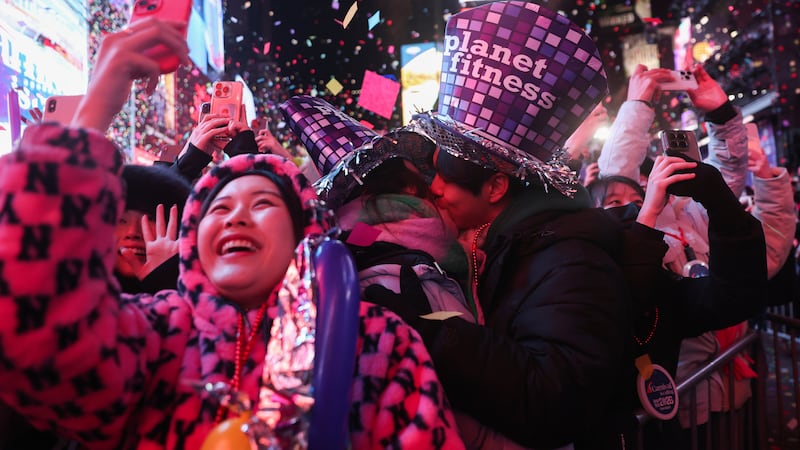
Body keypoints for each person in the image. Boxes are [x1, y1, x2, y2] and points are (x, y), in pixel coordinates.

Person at [0, 18, 464, 449]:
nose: (235, 218)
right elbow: (27, 324)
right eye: (218, 208)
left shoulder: (379, 343)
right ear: (194, 238)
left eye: (262, 204)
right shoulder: (159, 331)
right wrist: (94, 112)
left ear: (302, 236)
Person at [373, 3, 632, 448]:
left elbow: (554, 399)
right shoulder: (507, 244)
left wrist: (424, 333)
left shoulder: (570, 260)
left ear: (494, 187)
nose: (432, 190)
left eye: (446, 180)